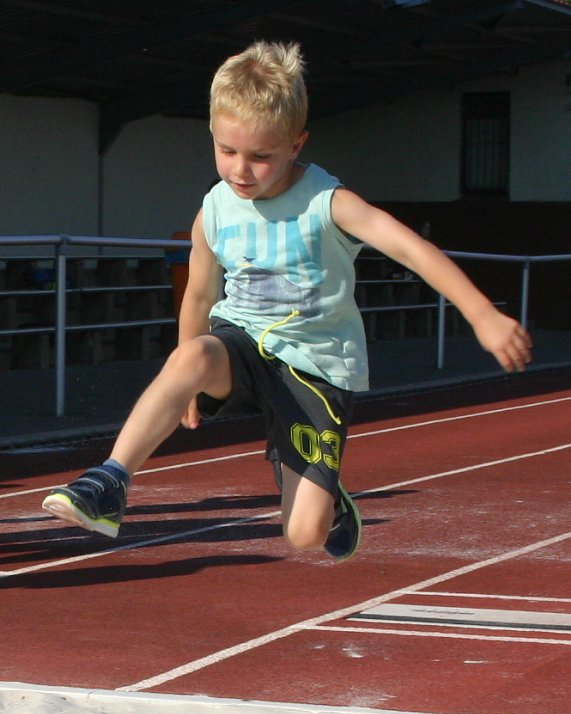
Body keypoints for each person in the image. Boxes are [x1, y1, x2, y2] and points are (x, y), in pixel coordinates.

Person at [42, 41, 532, 561]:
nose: (240, 171)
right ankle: (109, 482)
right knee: (190, 355)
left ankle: (329, 499)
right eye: (226, 151)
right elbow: (201, 294)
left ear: (296, 145)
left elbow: (412, 249)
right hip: (243, 346)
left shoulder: (328, 203)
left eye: (260, 157)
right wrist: (184, 384)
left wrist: (482, 314)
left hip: (314, 365)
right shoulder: (214, 210)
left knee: (303, 536)